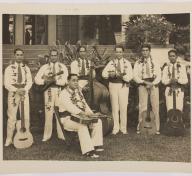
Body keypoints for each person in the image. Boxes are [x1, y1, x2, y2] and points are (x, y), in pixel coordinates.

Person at [58, 74, 104, 158]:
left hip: (80, 117)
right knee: (82, 125)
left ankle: (95, 144)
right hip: (67, 119)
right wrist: (85, 114)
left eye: (77, 80)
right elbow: (71, 108)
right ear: (68, 82)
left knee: (98, 121)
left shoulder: (78, 92)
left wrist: (92, 114)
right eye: (73, 80)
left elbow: (84, 105)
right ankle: (88, 151)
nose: (76, 82)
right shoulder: (63, 94)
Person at [34, 49, 68, 142]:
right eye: (52, 55)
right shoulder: (44, 67)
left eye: (55, 55)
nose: (53, 57)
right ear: (49, 57)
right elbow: (36, 79)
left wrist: (56, 81)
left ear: (58, 56)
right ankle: (47, 135)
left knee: (59, 111)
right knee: (48, 111)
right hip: (48, 90)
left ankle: (61, 134)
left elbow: (65, 81)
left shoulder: (63, 67)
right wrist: (44, 81)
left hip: (59, 90)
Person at [4, 48, 32, 146]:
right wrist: (16, 90)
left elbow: (29, 82)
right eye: (17, 55)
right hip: (13, 93)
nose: (19, 56)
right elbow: (6, 83)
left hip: (24, 93)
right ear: (14, 56)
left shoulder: (26, 68)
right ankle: (9, 138)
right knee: (12, 116)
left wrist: (25, 90)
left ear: (23, 56)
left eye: (21, 55)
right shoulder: (9, 68)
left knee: (26, 115)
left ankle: (26, 135)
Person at [102, 45, 133, 135]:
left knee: (123, 107)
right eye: (117, 52)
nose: (118, 53)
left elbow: (130, 76)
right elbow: (104, 74)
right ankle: (115, 128)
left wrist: (123, 76)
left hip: (123, 86)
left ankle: (123, 128)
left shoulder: (127, 63)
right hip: (113, 85)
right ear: (114, 53)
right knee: (115, 107)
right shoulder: (111, 63)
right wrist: (109, 75)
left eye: (120, 52)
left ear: (123, 52)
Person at [133, 43, 161, 135]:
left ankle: (156, 127)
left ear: (149, 51)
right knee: (142, 106)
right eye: (143, 51)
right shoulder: (138, 63)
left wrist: (152, 83)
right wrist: (144, 82)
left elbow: (159, 76)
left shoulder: (155, 62)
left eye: (146, 50)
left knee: (155, 106)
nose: (145, 52)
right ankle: (140, 125)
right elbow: (135, 76)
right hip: (143, 85)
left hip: (153, 85)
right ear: (141, 52)